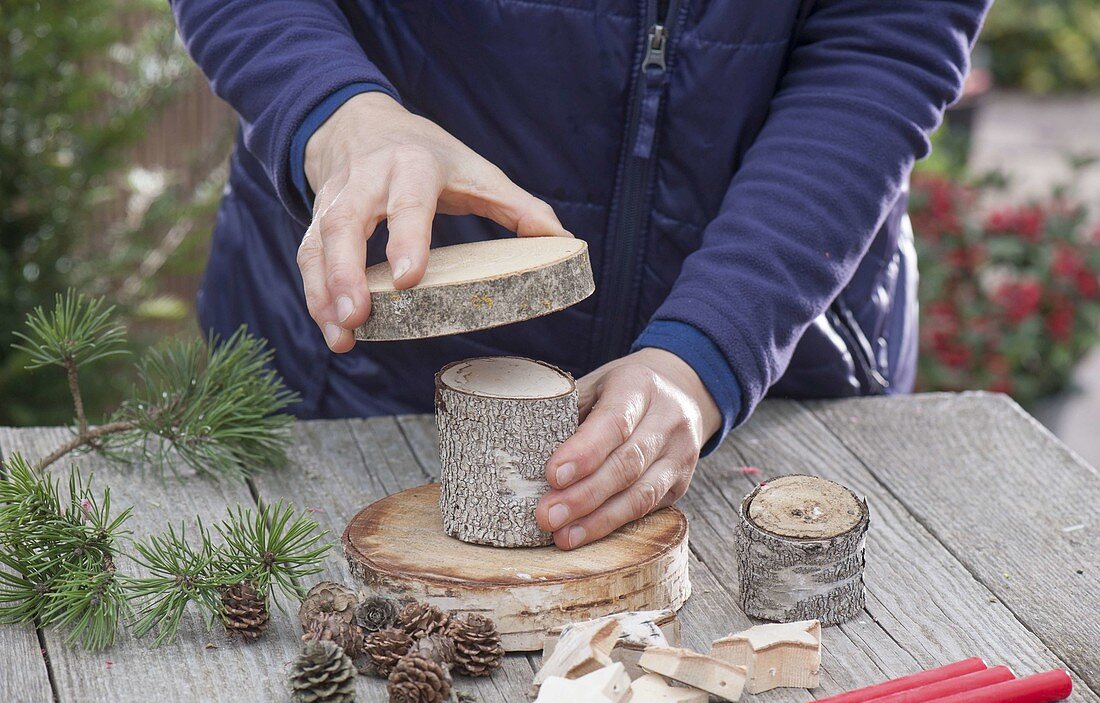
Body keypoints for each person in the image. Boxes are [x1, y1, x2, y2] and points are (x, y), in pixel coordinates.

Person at [171, 1, 989, 549]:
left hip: (776, 365)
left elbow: (885, 39)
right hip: (340, 388)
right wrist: (336, 111)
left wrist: (712, 349)